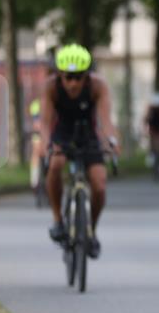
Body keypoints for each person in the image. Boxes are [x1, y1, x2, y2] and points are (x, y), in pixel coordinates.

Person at [35, 44, 121, 259]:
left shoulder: (97, 86)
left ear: (87, 75)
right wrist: (47, 144)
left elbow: (105, 120)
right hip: (62, 132)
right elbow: (44, 123)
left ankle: (90, 230)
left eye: (78, 77)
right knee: (55, 164)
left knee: (99, 184)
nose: (73, 83)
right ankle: (57, 220)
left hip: (88, 134)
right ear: (59, 75)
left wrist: (111, 140)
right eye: (68, 77)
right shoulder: (51, 87)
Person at [143, 93, 159, 175]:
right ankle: (151, 155)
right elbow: (145, 120)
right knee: (152, 145)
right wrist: (145, 129)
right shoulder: (150, 109)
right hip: (153, 131)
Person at [28, 98, 43, 191]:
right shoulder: (36, 105)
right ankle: (34, 180)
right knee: (36, 153)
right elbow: (36, 122)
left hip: (50, 134)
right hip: (39, 134)